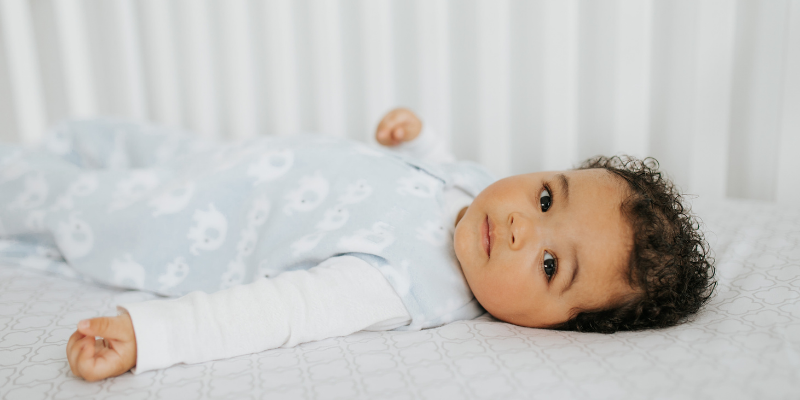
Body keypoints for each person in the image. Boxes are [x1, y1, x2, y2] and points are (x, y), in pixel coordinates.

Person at [0, 108, 715, 382]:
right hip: (237, 160)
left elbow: (273, 312)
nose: (526, 224)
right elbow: (451, 176)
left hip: (191, 221)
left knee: (80, 204)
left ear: (561, 329)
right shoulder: (483, 198)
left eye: (553, 265)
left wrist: (145, 336)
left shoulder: (397, 286)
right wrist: (420, 143)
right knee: (121, 137)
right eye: (548, 195)